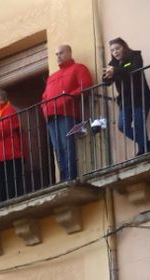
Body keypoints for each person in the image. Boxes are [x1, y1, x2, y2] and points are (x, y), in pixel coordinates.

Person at [41, 45, 94, 181]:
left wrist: (66, 98)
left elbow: (86, 86)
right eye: (56, 54)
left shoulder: (78, 68)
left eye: (61, 53)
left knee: (67, 145)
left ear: (70, 53)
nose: (58, 56)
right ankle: (64, 177)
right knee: (58, 149)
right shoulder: (52, 77)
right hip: (52, 116)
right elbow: (44, 97)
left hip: (68, 113)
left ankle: (71, 176)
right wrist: (45, 109)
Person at [102, 37, 150, 156]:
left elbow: (134, 69)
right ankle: (148, 145)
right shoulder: (112, 64)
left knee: (139, 125)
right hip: (125, 101)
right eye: (112, 50)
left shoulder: (135, 56)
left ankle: (143, 150)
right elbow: (106, 83)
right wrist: (107, 75)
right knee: (122, 126)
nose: (115, 52)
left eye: (117, 48)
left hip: (140, 97)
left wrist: (116, 70)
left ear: (124, 47)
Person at [0, 88, 26, 203]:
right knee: (1, 180)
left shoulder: (9, 110)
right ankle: (2, 199)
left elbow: (5, 127)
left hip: (11, 151)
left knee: (13, 178)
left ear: (5, 100)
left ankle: (13, 198)